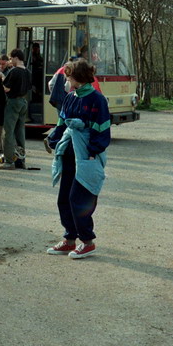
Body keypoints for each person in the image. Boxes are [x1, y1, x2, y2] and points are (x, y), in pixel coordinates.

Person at [46, 59, 111, 259]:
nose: (65, 80)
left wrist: (92, 151)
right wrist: (53, 140)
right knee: (64, 198)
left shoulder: (97, 99)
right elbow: (61, 123)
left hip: (85, 156)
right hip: (68, 154)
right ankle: (69, 239)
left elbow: (102, 129)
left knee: (80, 198)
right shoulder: (70, 97)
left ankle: (87, 241)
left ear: (77, 78)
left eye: (68, 76)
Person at [0, 48, 31, 169]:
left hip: (13, 102)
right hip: (23, 101)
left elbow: (7, 88)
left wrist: (2, 77)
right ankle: (21, 160)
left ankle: (9, 161)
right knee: (20, 132)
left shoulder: (14, 71)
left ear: (16, 57)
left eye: (11, 58)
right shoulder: (27, 71)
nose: (10, 61)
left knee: (7, 132)